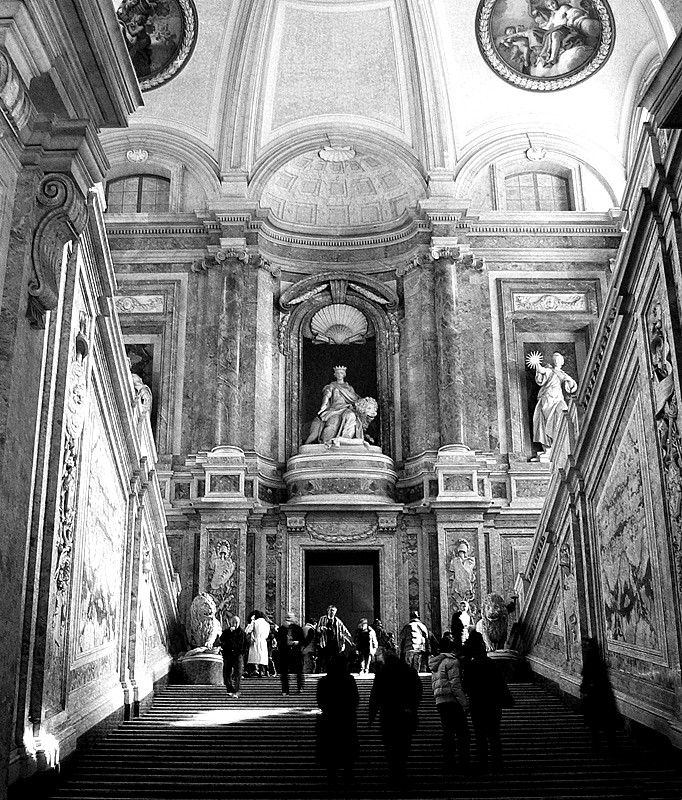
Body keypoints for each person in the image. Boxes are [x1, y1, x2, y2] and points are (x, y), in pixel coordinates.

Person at [461, 630, 513, 773]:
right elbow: (499, 682)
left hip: (477, 704)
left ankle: (482, 764)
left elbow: (465, 686)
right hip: (493, 704)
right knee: (494, 735)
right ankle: (497, 763)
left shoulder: (470, 666)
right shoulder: (490, 663)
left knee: (480, 735)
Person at [369, 650, 423, 786]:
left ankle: (395, 770)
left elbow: (375, 695)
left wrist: (372, 715)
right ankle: (401, 767)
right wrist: (412, 707)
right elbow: (418, 690)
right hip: (405, 714)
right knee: (404, 742)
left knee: (390, 744)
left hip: (388, 714)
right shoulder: (409, 672)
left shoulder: (383, 673)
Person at [429, 625, 470, 774]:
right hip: (452, 700)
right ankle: (464, 763)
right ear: (454, 650)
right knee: (463, 733)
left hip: (440, 701)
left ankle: (449, 762)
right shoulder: (452, 662)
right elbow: (455, 685)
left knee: (448, 732)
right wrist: (464, 704)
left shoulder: (436, 663)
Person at [315, 653, 359, 786]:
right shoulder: (349, 680)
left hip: (330, 719)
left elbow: (320, 700)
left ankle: (332, 778)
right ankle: (348, 776)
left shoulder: (324, 681)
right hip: (346, 719)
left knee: (331, 749)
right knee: (347, 749)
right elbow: (355, 699)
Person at [304, 365, 376, 445]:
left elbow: (356, 399)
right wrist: (323, 405)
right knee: (333, 420)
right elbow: (327, 395)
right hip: (334, 409)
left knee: (351, 415)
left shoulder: (349, 388)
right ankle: (326, 442)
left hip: (346, 408)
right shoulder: (331, 386)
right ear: (335, 374)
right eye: (337, 373)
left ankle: (347, 439)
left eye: (341, 373)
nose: (339, 374)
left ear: (344, 374)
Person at [528, 350, 577, 453]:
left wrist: (569, 381)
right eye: (555, 360)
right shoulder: (549, 370)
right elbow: (542, 371)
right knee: (547, 421)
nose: (557, 361)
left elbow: (572, 386)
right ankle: (549, 445)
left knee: (563, 412)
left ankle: (560, 441)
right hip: (548, 399)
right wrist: (537, 363)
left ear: (562, 362)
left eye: (559, 360)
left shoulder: (563, 374)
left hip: (558, 398)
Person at [580, 637, 621, 749]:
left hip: (596, 695)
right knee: (606, 720)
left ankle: (598, 744)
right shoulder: (597, 659)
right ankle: (610, 744)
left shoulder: (591, 659)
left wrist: (584, 688)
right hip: (604, 693)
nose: (584, 648)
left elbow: (587, 676)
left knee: (595, 720)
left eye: (586, 646)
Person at [315, 605, 353, 673]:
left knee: (335, 658)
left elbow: (345, 632)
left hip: (335, 643)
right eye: (331, 610)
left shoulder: (338, 621)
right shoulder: (322, 619)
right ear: (328, 611)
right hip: (325, 642)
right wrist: (321, 628)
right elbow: (317, 629)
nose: (332, 612)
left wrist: (351, 641)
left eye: (333, 611)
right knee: (325, 658)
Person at [276, 612, 305, 695]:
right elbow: (278, 639)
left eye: (289, 617)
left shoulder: (298, 628)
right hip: (284, 652)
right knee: (284, 672)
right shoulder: (282, 629)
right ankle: (285, 690)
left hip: (295, 652)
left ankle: (300, 687)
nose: (288, 619)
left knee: (299, 671)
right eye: (286, 617)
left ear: (293, 619)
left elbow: (302, 640)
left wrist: (297, 642)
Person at [219, 614, 246, 697]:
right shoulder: (226, 632)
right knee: (227, 672)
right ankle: (229, 688)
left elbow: (243, 644)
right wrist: (230, 634)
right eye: (233, 622)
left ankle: (237, 689)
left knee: (238, 673)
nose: (235, 624)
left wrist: (241, 652)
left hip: (237, 655)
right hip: (228, 654)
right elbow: (222, 641)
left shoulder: (242, 633)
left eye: (236, 622)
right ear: (230, 623)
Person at [244, 610, 270, 677]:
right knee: (262, 657)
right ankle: (261, 672)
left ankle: (250, 672)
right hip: (263, 641)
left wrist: (251, 621)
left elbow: (247, 631)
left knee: (253, 657)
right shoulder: (267, 624)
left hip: (256, 640)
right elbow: (267, 634)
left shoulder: (255, 622)